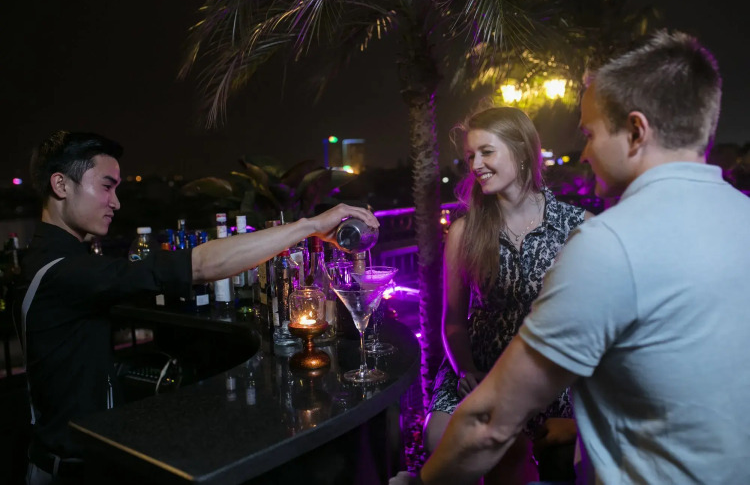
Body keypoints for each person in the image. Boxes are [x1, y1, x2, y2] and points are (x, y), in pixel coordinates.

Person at [392, 30, 749, 485]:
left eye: (590, 133)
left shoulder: (605, 243)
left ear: (636, 132)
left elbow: (491, 423)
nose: (584, 152)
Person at [18, 130, 379, 485]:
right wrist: (310, 226)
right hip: (66, 472)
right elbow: (201, 266)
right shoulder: (62, 272)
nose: (116, 203)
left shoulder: (53, 261)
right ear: (61, 185)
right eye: (106, 186)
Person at [423, 107, 591, 484]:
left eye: (487, 152)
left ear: (521, 150)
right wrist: (465, 369)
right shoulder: (465, 232)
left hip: (547, 374)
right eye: (471, 156)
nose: (475, 165)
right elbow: (453, 321)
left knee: (522, 456)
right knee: (440, 440)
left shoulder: (578, 227)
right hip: (479, 370)